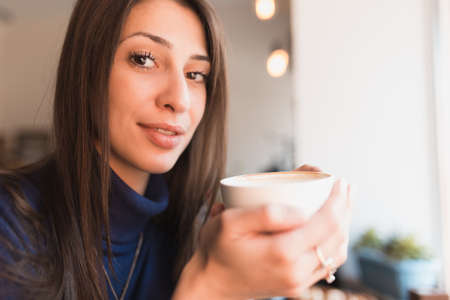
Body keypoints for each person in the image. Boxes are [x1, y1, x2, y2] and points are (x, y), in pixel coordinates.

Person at [0, 0, 354, 299]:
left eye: (195, 74)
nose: (180, 100)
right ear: (87, 68)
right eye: (143, 59)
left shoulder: (196, 233)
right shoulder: (10, 227)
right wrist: (207, 287)